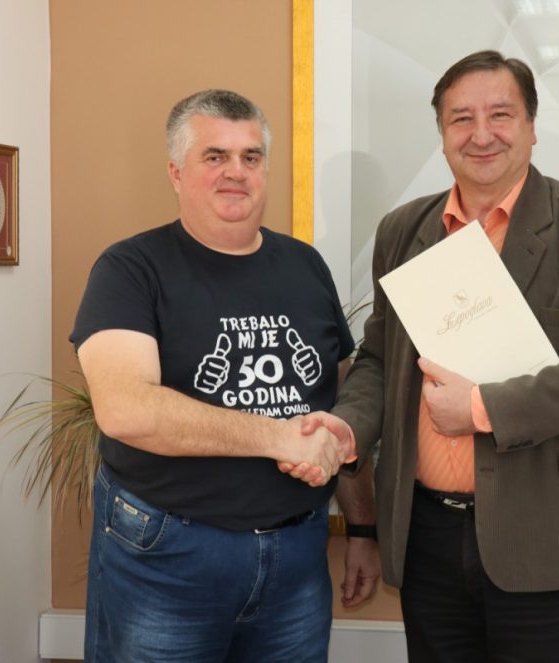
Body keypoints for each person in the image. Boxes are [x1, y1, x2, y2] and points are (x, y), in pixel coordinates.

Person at [303, 50, 559, 662]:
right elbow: (380, 358)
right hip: (426, 539)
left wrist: (482, 407)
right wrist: (348, 426)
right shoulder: (403, 231)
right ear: (442, 134)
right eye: (461, 118)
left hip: (545, 537)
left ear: (532, 126)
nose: (481, 134)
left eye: (500, 114)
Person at [70, 89, 380, 663]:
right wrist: (278, 436)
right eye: (215, 156)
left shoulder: (306, 265)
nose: (236, 172)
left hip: (297, 558)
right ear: (176, 172)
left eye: (250, 157)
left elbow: (337, 407)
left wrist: (363, 528)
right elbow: (125, 408)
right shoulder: (130, 269)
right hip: (168, 558)